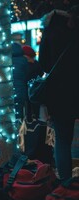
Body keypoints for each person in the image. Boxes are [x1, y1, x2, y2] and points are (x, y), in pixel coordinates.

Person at [38, 4, 79, 181]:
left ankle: (66, 184)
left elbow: (44, 64)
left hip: (60, 93)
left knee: (62, 140)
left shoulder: (52, 32)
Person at [22, 45, 43, 120]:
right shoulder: (36, 64)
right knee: (34, 110)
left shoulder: (25, 65)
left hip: (31, 89)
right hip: (35, 89)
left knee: (30, 109)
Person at [12, 42, 29, 120]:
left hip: (10, 88)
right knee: (19, 109)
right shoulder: (24, 60)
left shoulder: (8, 60)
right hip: (21, 88)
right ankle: (20, 128)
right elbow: (27, 74)